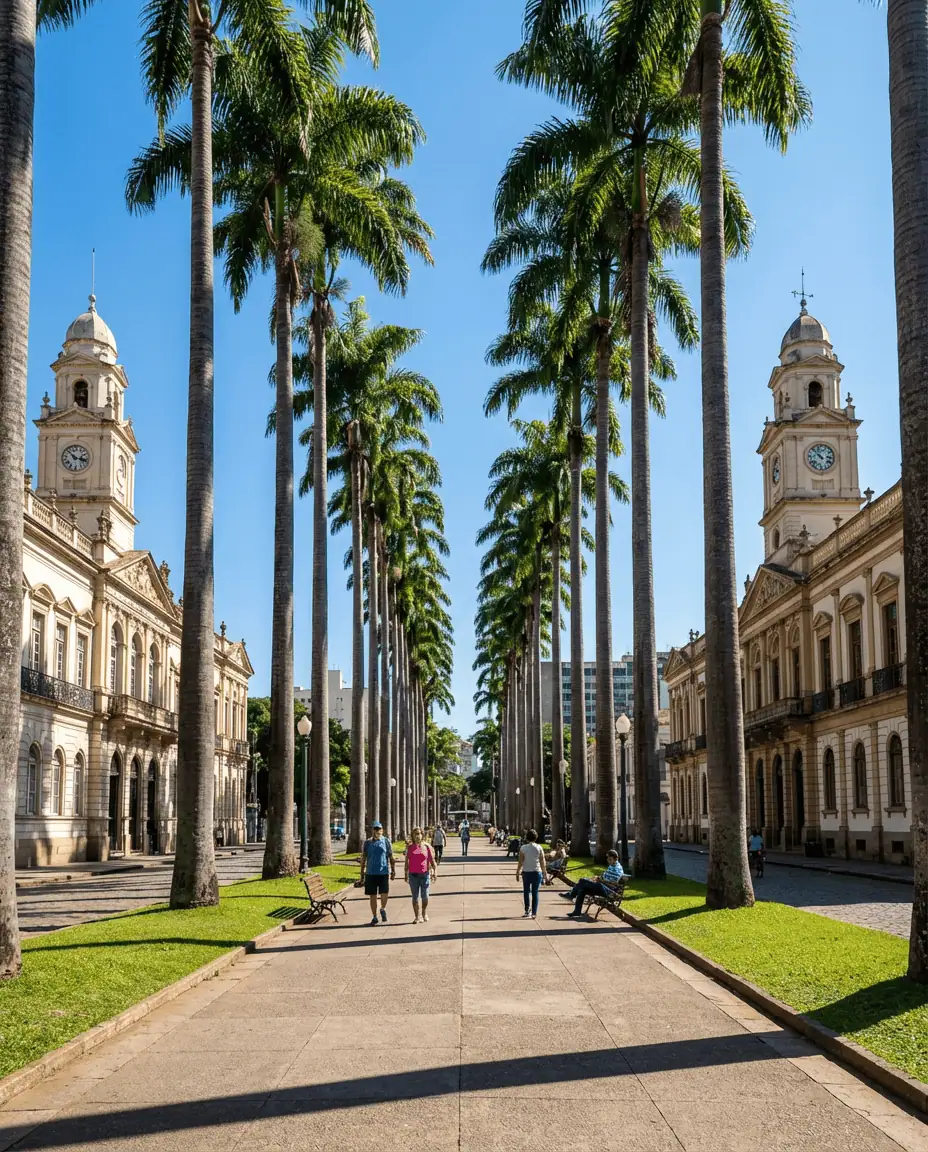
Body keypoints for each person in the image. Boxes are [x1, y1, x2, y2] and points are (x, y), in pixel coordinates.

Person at [563, 851, 624, 917]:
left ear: (616, 859)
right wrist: (598, 878)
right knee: (582, 890)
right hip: (601, 887)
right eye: (608, 859)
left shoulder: (617, 869)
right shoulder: (612, 866)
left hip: (608, 891)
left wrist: (601, 880)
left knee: (582, 880)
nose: (608, 861)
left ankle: (571, 895)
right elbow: (605, 876)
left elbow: (613, 884)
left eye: (610, 859)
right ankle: (577, 911)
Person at [360, 821, 395, 925]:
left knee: (385, 893)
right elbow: (363, 858)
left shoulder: (386, 841)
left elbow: (391, 856)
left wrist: (393, 870)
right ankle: (374, 916)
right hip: (370, 873)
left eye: (379, 829)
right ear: (372, 830)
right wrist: (362, 874)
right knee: (373, 896)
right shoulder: (367, 843)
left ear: (382, 830)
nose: (377, 831)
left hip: (383, 872)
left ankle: (383, 909)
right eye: (375, 829)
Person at [405, 827, 437, 923]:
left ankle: (424, 912)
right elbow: (407, 862)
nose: (417, 836)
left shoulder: (426, 847)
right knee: (415, 897)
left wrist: (435, 872)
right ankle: (417, 916)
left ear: (422, 835)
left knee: (425, 897)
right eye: (415, 834)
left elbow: (432, 861)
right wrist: (405, 874)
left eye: (419, 833)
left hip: (425, 875)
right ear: (413, 836)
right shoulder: (410, 848)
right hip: (413, 876)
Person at [516, 828, 548, 918]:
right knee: (535, 892)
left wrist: (517, 871)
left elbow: (520, 861)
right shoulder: (539, 847)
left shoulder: (523, 848)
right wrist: (545, 874)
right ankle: (534, 912)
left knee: (526, 892)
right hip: (537, 872)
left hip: (526, 872)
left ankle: (527, 910)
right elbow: (542, 861)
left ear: (527, 838)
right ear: (536, 838)